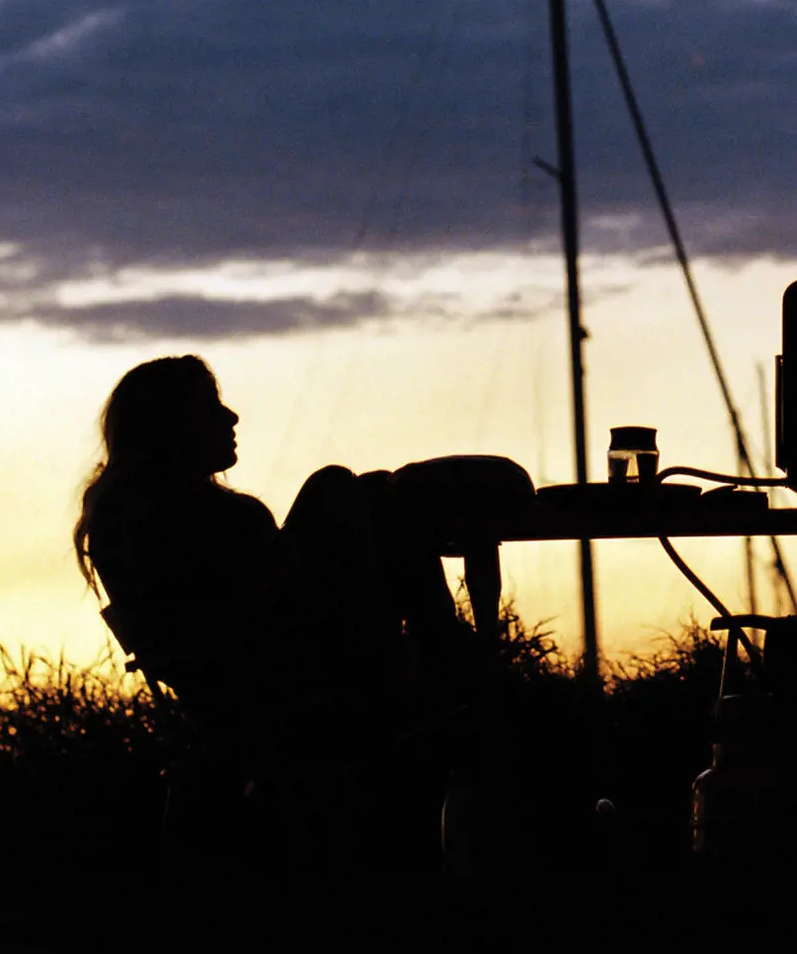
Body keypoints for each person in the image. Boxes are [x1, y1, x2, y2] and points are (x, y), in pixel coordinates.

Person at [72, 355, 531, 844]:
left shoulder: (127, 526)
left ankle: (454, 664)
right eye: (212, 408)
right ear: (173, 428)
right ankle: (460, 672)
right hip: (299, 694)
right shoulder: (217, 524)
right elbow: (285, 622)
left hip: (238, 705)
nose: (232, 418)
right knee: (350, 490)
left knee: (372, 495)